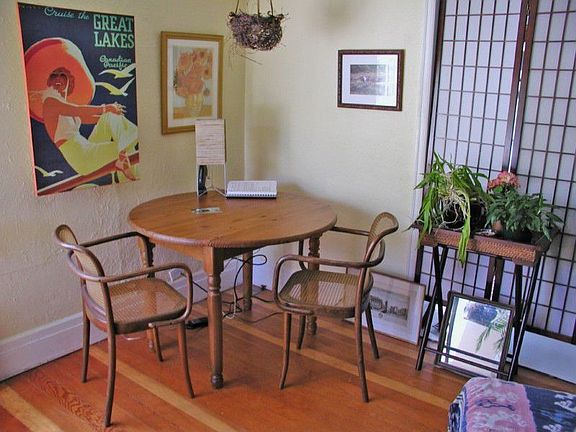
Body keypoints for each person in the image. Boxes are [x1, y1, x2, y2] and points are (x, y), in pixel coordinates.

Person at [25, 38, 138, 181]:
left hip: (87, 148)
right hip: (82, 157)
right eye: (54, 75)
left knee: (111, 119)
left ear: (69, 82)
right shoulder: (50, 102)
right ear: (49, 81)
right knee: (123, 147)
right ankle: (126, 161)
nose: (58, 79)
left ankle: (122, 161)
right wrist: (105, 108)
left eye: (63, 75)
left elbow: (92, 118)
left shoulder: (63, 105)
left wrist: (111, 112)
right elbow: (78, 110)